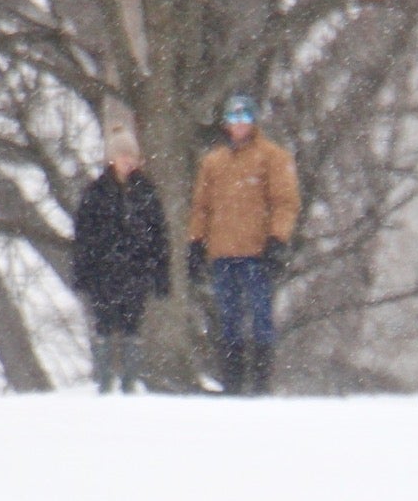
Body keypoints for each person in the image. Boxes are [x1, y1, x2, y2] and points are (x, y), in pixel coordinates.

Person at [186, 95, 299, 395]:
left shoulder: (273, 157)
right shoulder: (213, 162)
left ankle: (261, 383)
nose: (239, 125)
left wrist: (277, 239)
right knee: (228, 318)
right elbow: (201, 207)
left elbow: (284, 203)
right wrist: (196, 242)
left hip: (257, 252)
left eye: (245, 118)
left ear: (254, 121)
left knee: (261, 315)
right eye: (234, 119)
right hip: (222, 252)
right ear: (226, 124)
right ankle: (232, 383)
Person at [71, 130, 172, 393]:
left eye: (132, 155)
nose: (128, 160)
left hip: (136, 270)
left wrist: (161, 273)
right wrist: (82, 271)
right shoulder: (95, 193)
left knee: (132, 326)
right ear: (112, 158)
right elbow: (83, 236)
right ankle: (104, 381)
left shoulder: (147, 192)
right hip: (103, 271)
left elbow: (159, 235)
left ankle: (130, 381)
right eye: (123, 154)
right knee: (103, 324)